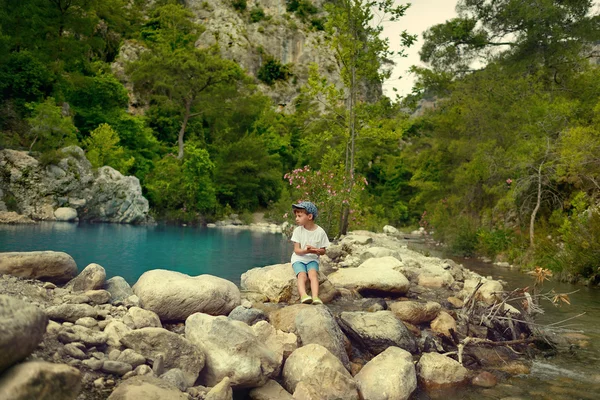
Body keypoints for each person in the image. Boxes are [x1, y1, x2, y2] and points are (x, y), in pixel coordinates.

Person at [290, 201, 330, 305]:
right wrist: (306, 251)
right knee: (302, 276)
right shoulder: (298, 231)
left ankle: (315, 297)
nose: (296, 218)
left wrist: (316, 250)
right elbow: (297, 250)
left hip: (312, 259)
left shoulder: (320, 232)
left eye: (299, 216)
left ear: (309, 216)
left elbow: (323, 251)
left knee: (313, 275)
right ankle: (303, 295)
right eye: (296, 216)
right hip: (299, 258)